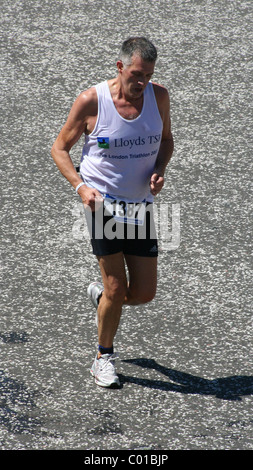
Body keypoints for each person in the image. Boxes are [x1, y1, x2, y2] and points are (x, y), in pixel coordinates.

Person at [51, 37, 174, 388]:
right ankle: (103, 356)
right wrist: (80, 186)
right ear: (120, 67)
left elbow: (166, 140)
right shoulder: (93, 101)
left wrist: (160, 169)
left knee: (144, 292)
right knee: (117, 287)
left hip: (139, 206)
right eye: (136, 74)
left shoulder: (158, 97)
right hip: (101, 205)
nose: (142, 83)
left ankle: (103, 297)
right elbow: (59, 149)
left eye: (148, 75)